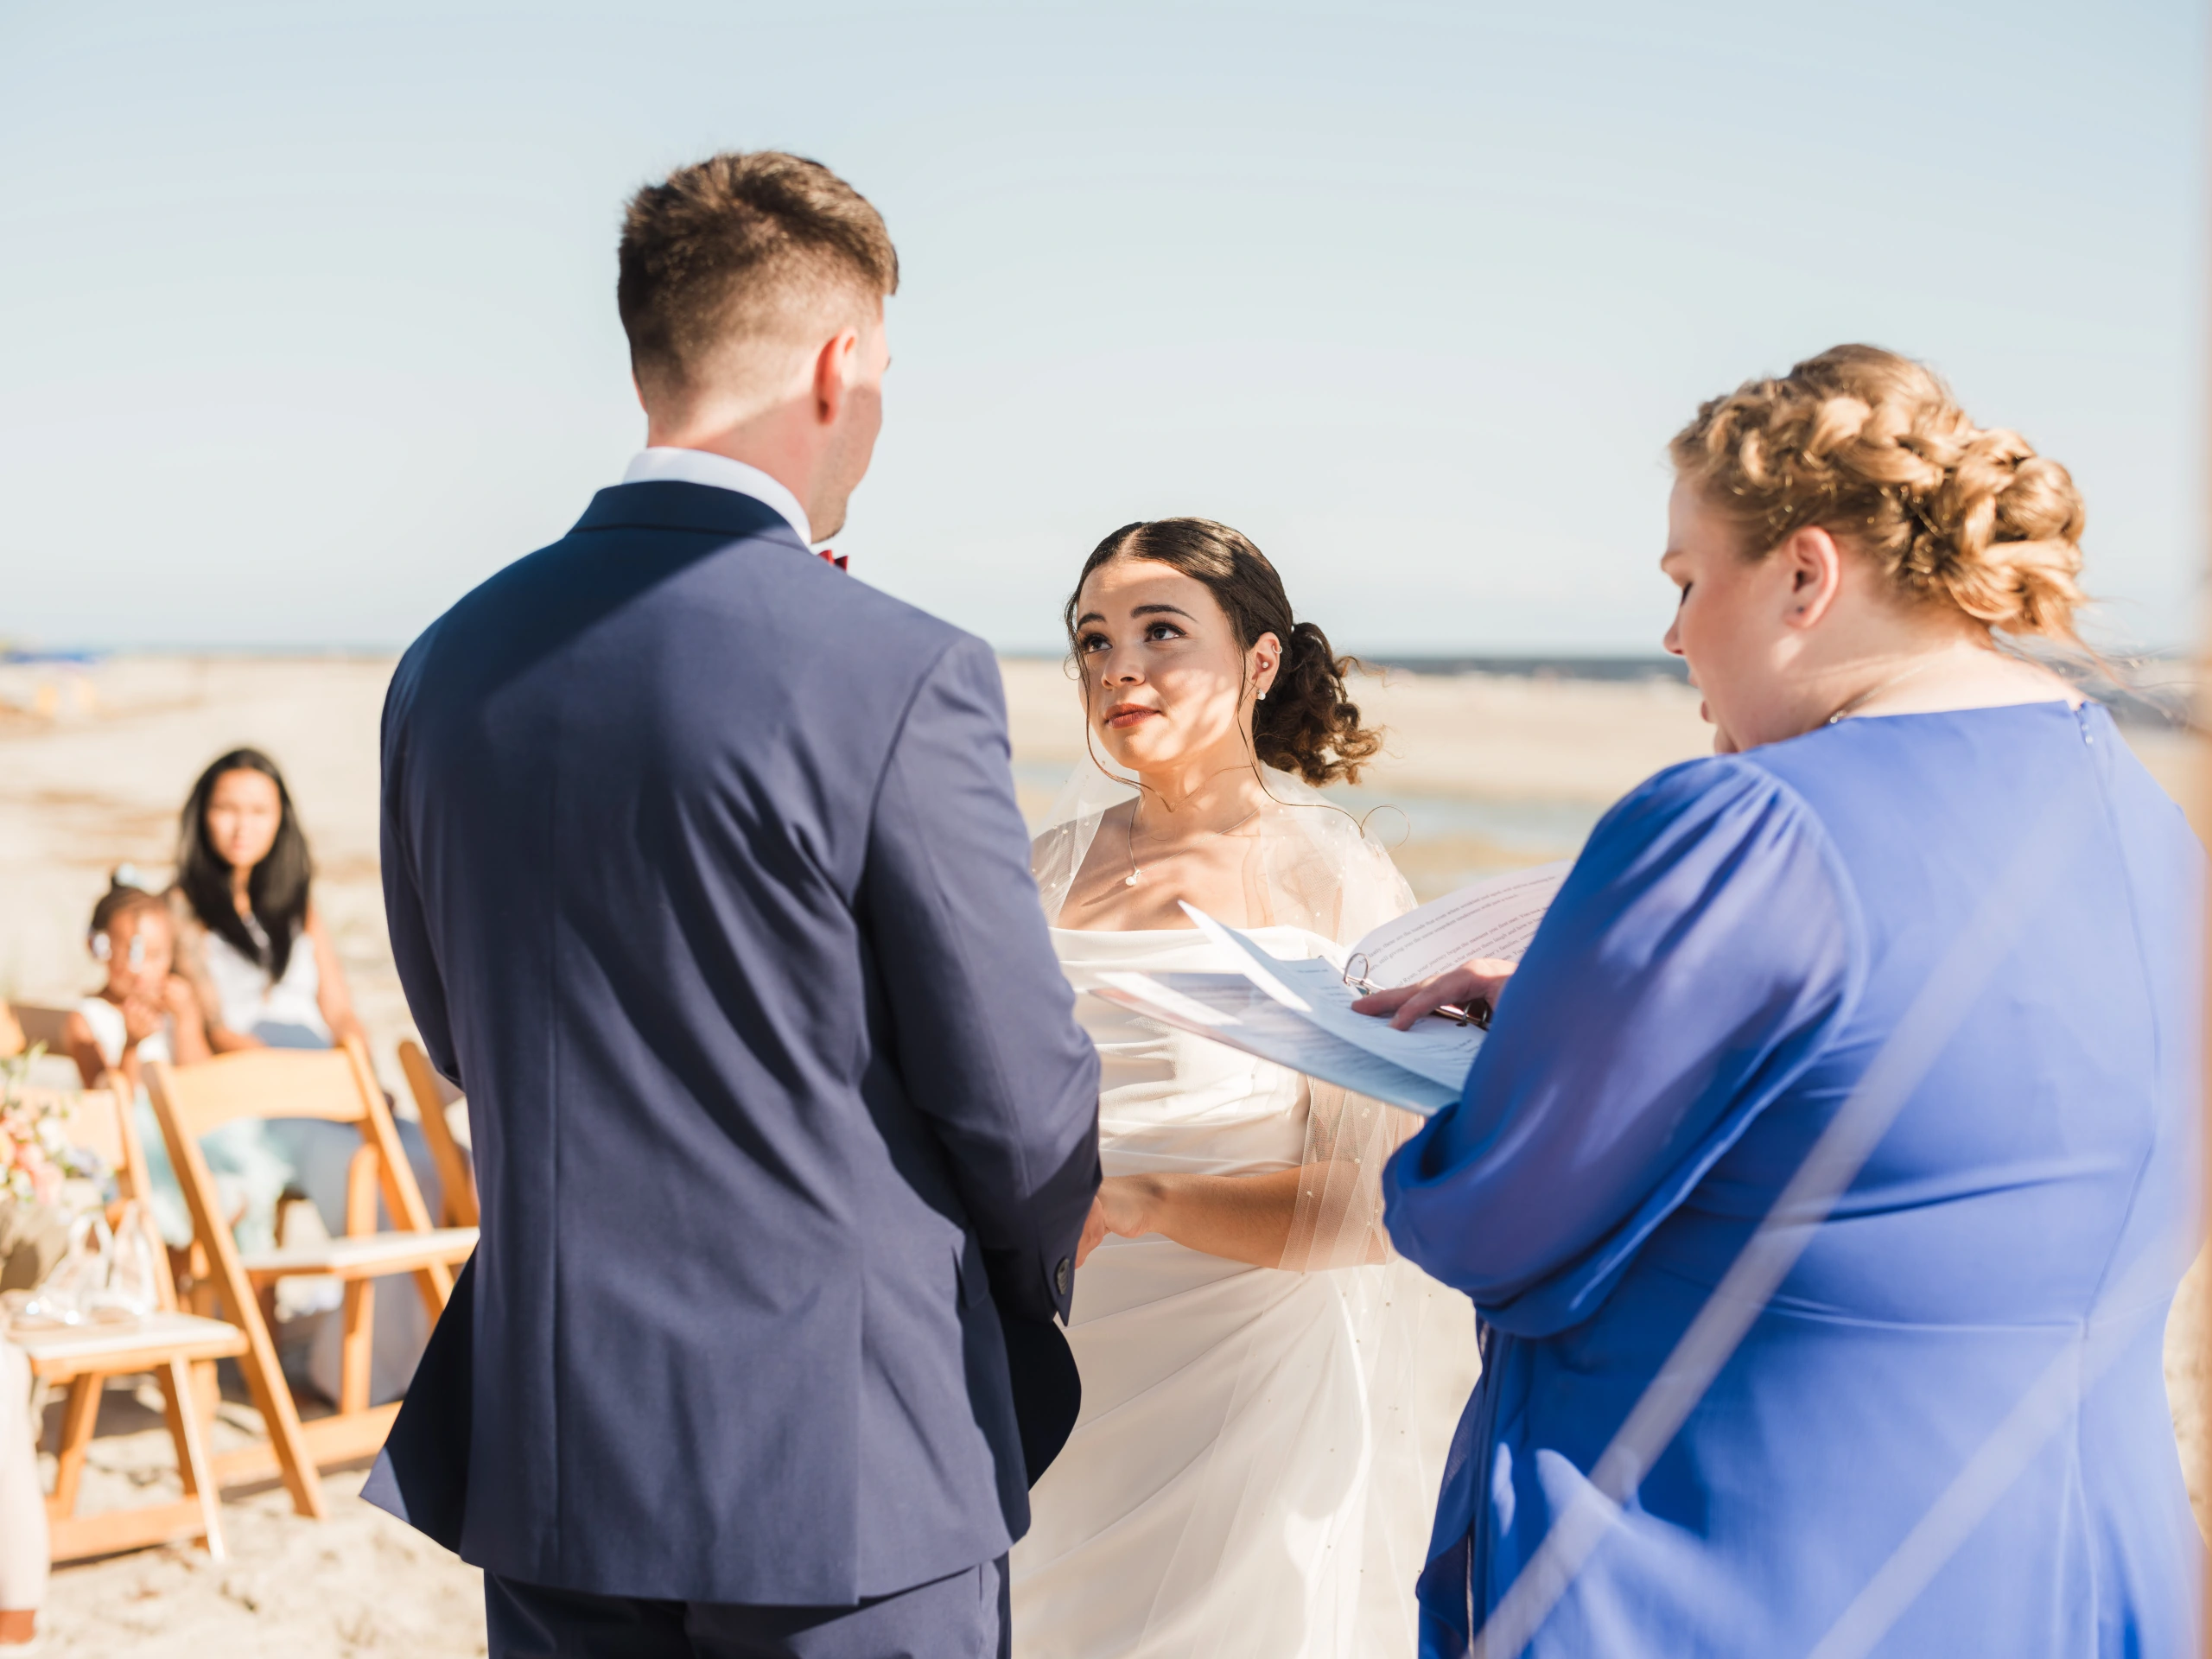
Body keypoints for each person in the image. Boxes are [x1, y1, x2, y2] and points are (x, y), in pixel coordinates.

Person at [366, 150, 1101, 1659]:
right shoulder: (901, 670)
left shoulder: (444, 667)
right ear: (839, 366)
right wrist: (1027, 1285)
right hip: (849, 1464)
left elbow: (457, 1026)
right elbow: (1020, 1104)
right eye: (885, 374)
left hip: (560, 1445)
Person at [1364, 345, 2202, 1656]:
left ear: (1806, 575)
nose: (1672, 634)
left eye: (1690, 581)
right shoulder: (2152, 825)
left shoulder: (1744, 825)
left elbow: (1486, 1223)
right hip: (2076, 1572)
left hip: (1757, 1567)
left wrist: (1526, 1059)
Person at [1015, 518, 1480, 1657]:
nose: (1117, 668)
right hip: (1046, 1365)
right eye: (1091, 640)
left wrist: (1141, 1200)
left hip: (1237, 1383)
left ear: (1258, 663)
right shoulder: (1042, 868)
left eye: (1160, 632)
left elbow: (1377, 1206)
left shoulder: (1332, 875)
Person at [171, 749, 363, 1053]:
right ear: (202, 814)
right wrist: (293, 1077)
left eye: (259, 811)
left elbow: (339, 1010)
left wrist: (360, 1062)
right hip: (246, 1078)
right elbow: (214, 1031)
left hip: (324, 1071)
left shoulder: (299, 904)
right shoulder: (181, 907)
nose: (242, 827)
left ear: (280, 819)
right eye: (226, 809)